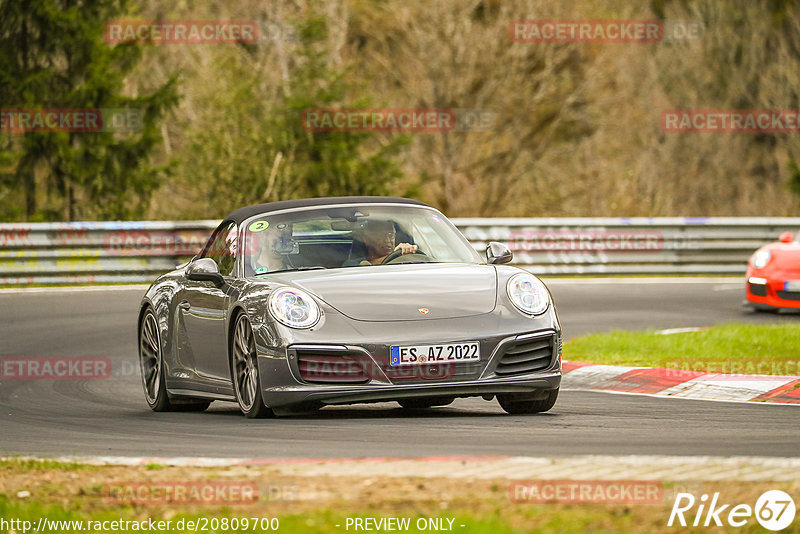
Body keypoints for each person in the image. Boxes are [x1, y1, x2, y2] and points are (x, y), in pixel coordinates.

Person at [346, 219, 418, 266]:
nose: (387, 240)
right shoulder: (352, 264)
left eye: (391, 235)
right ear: (366, 240)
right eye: (381, 236)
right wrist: (396, 255)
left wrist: (410, 252)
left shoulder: (404, 260)